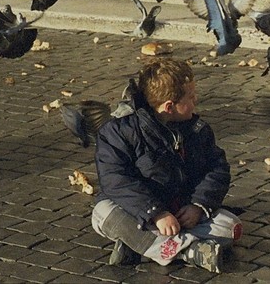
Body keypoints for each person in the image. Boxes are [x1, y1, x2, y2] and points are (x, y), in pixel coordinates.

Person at [92, 58, 242, 273]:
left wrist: (198, 206)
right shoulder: (117, 131)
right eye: (190, 97)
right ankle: (189, 251)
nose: (196, 100)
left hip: (182, 211)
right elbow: (115, 180)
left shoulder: (198, 129)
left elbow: (216, 169)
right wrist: (156, 213)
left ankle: (141, 244)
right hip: (139, 213)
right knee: (103, 212)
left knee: (232, 226)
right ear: (170, 107)